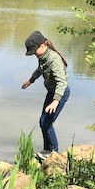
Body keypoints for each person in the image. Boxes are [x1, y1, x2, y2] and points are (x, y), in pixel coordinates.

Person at [21, 30, 70, 160]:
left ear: (42, 46)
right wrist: (30, 81)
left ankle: (54, 153)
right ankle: (47, 151)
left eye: (34, 51)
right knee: (43, 122)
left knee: (46, 123)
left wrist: (56, 101)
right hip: (52, 93)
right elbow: (39, 70)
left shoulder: (54, 60)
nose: (33, 55)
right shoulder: (43, 57)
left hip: (60, 94)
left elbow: (61, 82)